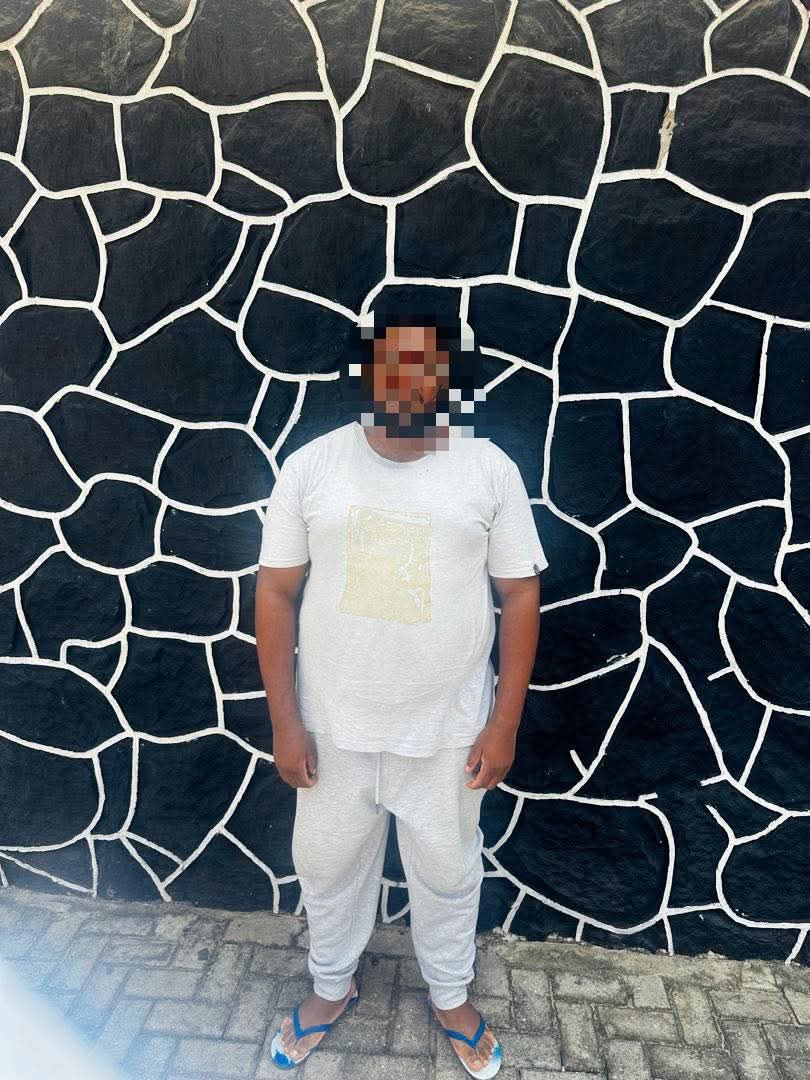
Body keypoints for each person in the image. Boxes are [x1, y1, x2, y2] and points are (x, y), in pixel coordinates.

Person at [254, 314, 548, 1075]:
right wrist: (285, 722)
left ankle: (450, 995)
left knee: (448, 872)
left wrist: (504, 724)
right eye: (393, 369)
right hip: (332, 728)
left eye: (429, 371)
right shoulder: (311, 467)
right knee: (325, 865)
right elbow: (276, 593)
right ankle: (331, 988)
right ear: (366, 377)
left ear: (449, 382)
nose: (411, 386)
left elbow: (519, 595)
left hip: (450, 731)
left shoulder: (489, 469)